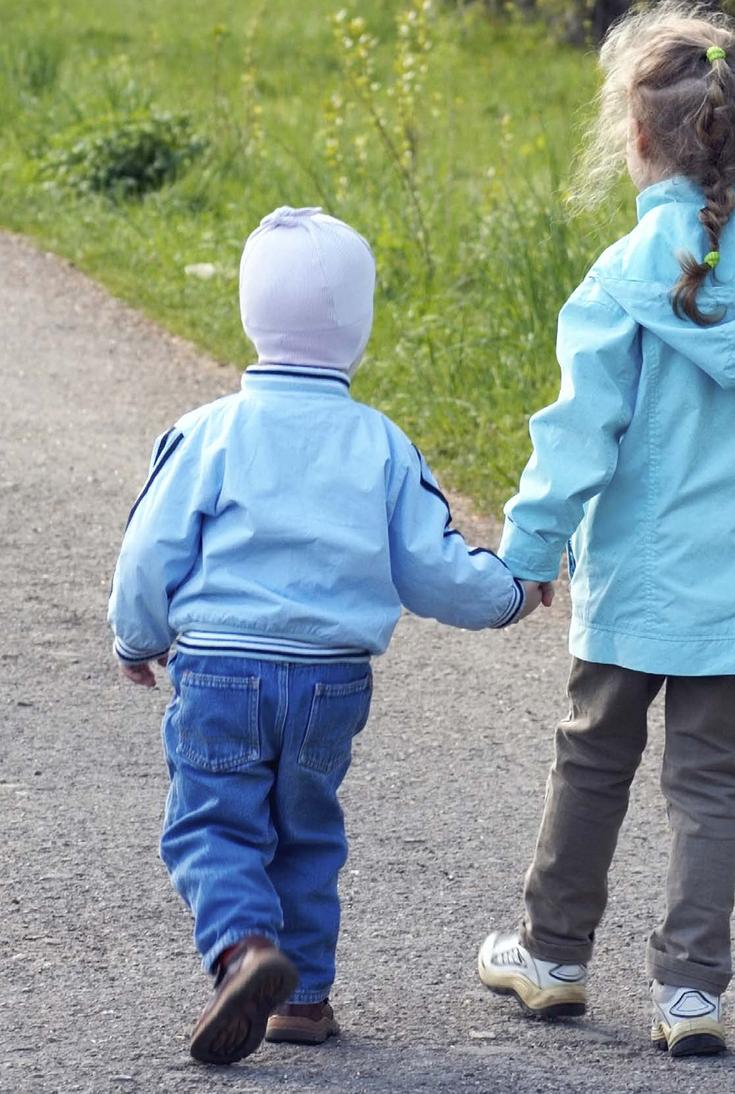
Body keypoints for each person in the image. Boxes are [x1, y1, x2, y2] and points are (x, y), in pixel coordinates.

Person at [477, 0, 735, 1059]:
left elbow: (577, 433)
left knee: (592, 755)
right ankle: (691, 992)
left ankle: (551, 956)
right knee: (710, 780)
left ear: (637, 136)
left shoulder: (622, 277)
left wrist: (529, 546)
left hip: (634, 584)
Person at [108, 205, 545, 1066]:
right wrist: (511, 595)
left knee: (213, 824)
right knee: (306, 830)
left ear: (248, 314)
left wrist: (136, 638)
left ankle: (243, 950)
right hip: (329, 683)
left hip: (222, 671)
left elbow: (149, 548)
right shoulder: (380, 445)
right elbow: (432, 566)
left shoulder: (208, 432)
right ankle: (302, 997)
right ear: (360, 327)